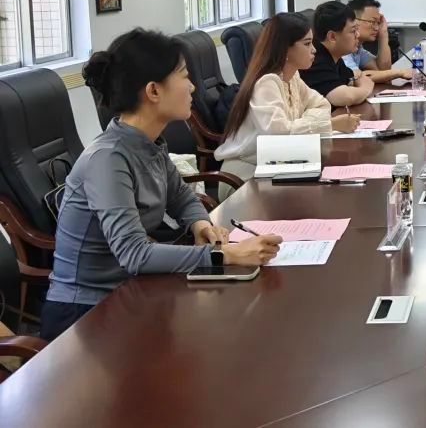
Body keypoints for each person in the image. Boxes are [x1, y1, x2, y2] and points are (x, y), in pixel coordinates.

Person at [42, 29, 281, 340]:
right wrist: (227, 255)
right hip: (86, 314)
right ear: (153, 91)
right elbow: (134, 254)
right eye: (184, 76)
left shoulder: (149, 143)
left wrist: (199, 224)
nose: (192, 86)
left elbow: (181, 196)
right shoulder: (108, 159)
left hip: (133, 291)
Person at [215, 13, 362, 180]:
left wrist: (297, 125)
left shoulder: (293, 77)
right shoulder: (267, 83)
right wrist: (329, 124)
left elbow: (322, 105)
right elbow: (278, 137)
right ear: (285, 49)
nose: (314, 49)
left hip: (281, 162)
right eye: (307, 44)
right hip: (247, 173)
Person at [300, 1, 376, 106]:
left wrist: (358, 83)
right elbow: (345, 97)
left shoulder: (335, 56)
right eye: (353, 31)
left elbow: (352, 80)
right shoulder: (314, 59)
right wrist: (366, 89)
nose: (357, 35)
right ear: (332, 37)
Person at [344, 0, 414, 84]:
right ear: (354, 20)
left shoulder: (358, 49)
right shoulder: (342, 47)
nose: (377, 28)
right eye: (372, 22)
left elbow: (382, 70)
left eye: (378, 23)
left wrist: (383, 34)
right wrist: (399, 73)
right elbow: (356, 78)